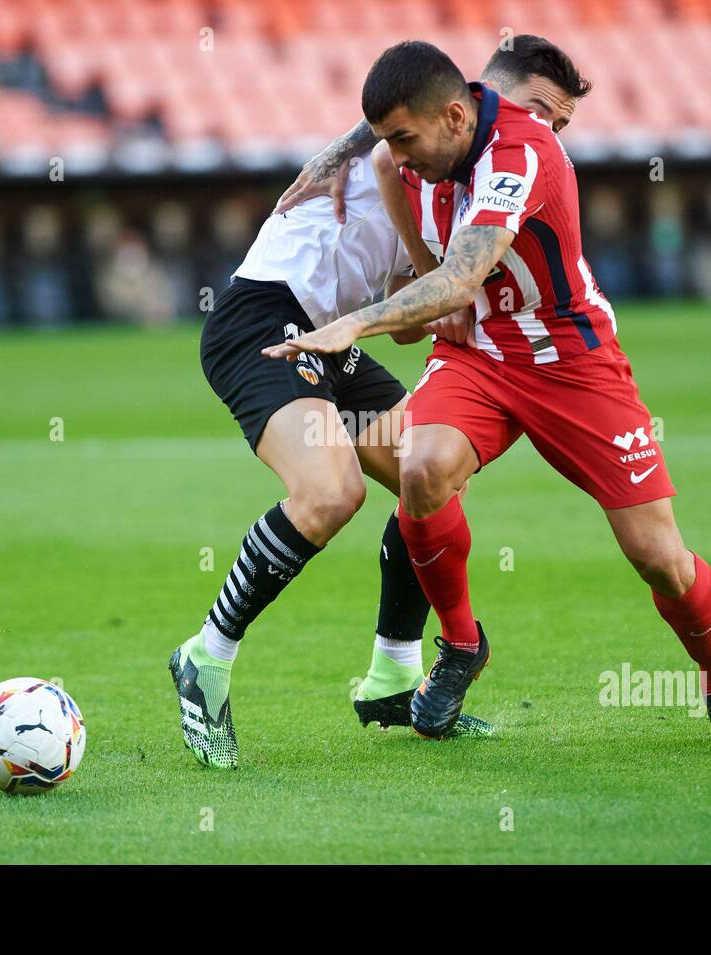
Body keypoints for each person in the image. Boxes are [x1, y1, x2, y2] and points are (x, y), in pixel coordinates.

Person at [265, 39, 711, 749]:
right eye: (392, 139)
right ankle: (462, 645)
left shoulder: (522, 154)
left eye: (407, 139)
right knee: (421, 468)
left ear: (455, 118)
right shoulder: (401, 156)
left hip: (573, 360)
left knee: (658, 555)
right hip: (480, 356)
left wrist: (354, 324)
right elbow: (431, 276)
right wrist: (343, 163)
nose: (399, 153)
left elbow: (457, 281)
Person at [169, 43, 591, 769]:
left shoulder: (486, 174)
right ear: (479, 94)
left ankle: (393, 677)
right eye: (544, 112)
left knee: (428, 475)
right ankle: (203, 659)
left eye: (562, 123)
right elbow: (379, 138)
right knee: (331, 491)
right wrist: (347, 152)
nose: (549, 132)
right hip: (266, 320)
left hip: (330, 335)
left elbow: (410, 318)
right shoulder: (415, 137)